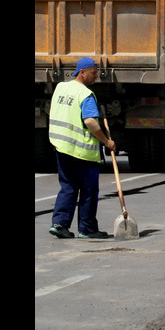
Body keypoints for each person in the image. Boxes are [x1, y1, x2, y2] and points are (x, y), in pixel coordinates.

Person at [48, 57, 117, 239]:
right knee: (88, 191)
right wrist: (106, 142)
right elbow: (90, 122)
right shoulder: (86, 95)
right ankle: (87, 228)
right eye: (93, 73)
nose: (96, 77)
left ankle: (60, 224)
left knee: (68, 187)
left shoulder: (61, 88)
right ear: (82, 72)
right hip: (82, 151)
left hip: (62, 147)